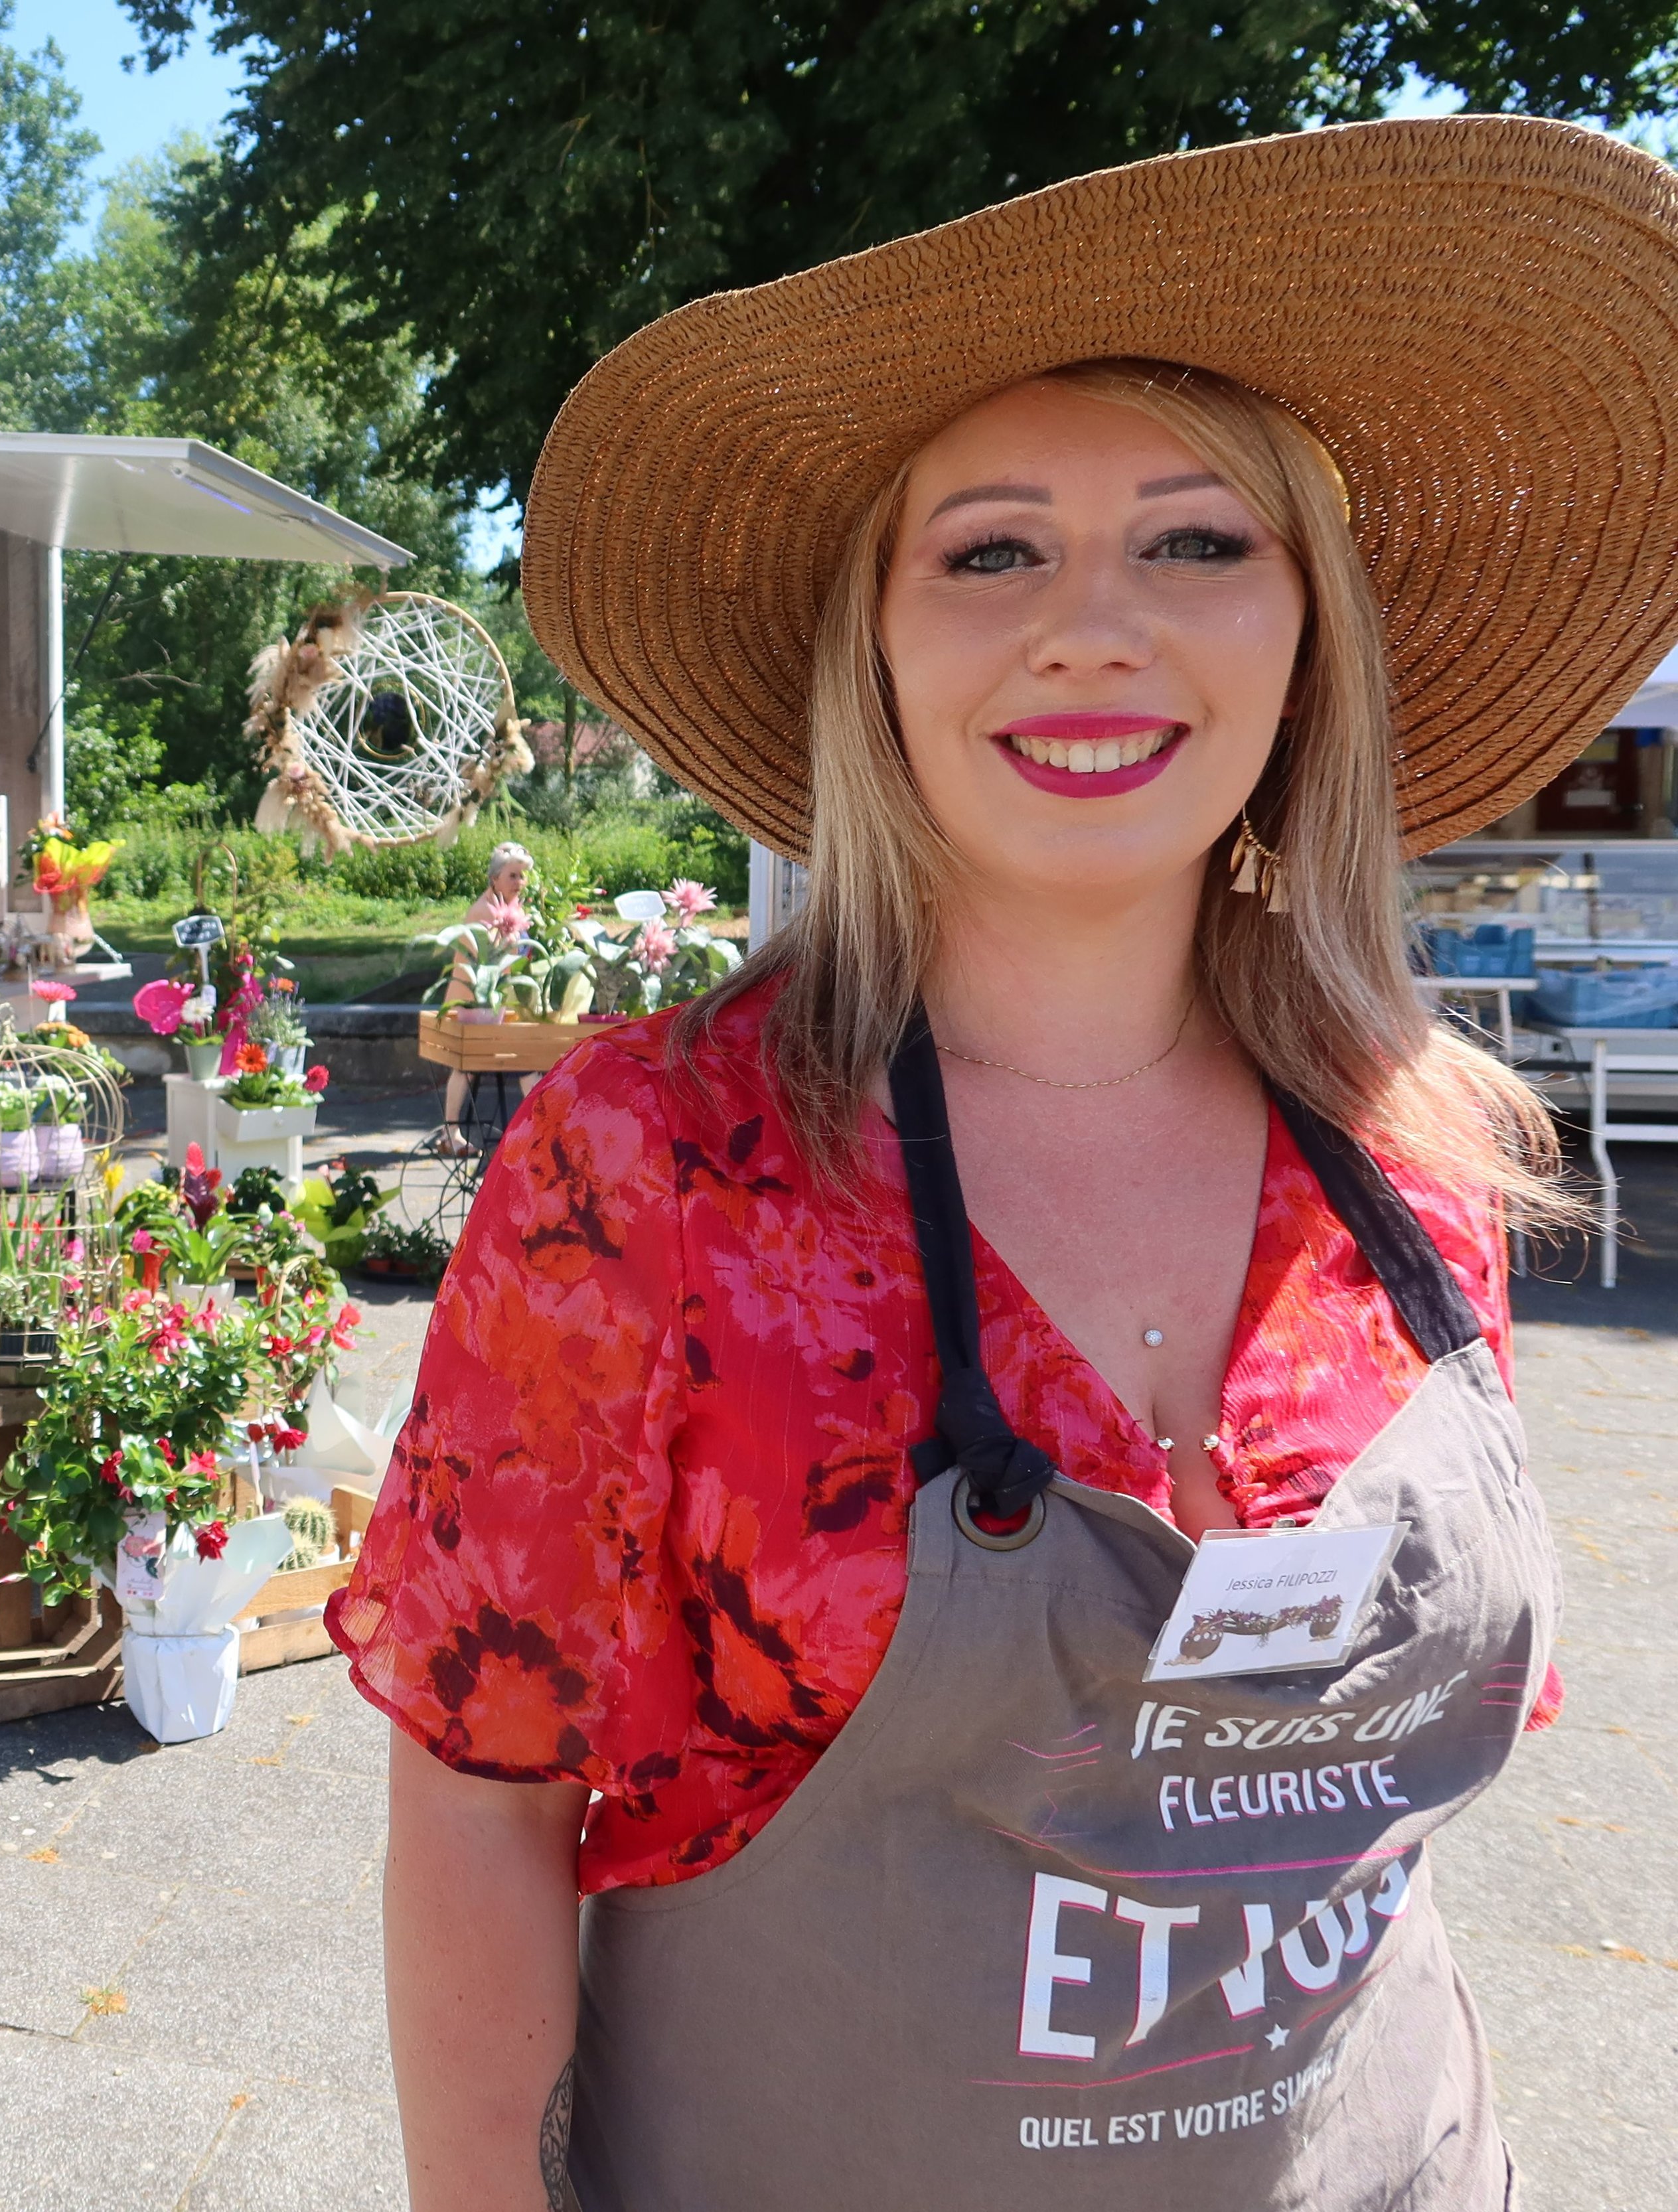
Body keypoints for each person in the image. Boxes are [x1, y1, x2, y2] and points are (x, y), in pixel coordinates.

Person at [329, 114, 1673, 2211]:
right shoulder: (653, 1169)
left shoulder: (1422, 1153)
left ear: (1309, 634)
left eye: (1194, 542)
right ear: (874, 647)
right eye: (987, 550)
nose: (1092, 626)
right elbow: (477, 1808)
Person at [435, 840, 537, 1153]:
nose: (519, 883)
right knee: (474, 1066)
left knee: (525, 1060)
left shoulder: (511, 907)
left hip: (498, 1003)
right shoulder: (484, 911)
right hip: (473, 1001)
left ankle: (539, 1128)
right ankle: (451, 1133)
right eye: (513, 876)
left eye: (522, 876)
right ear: (494, 879)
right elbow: (487, 963)